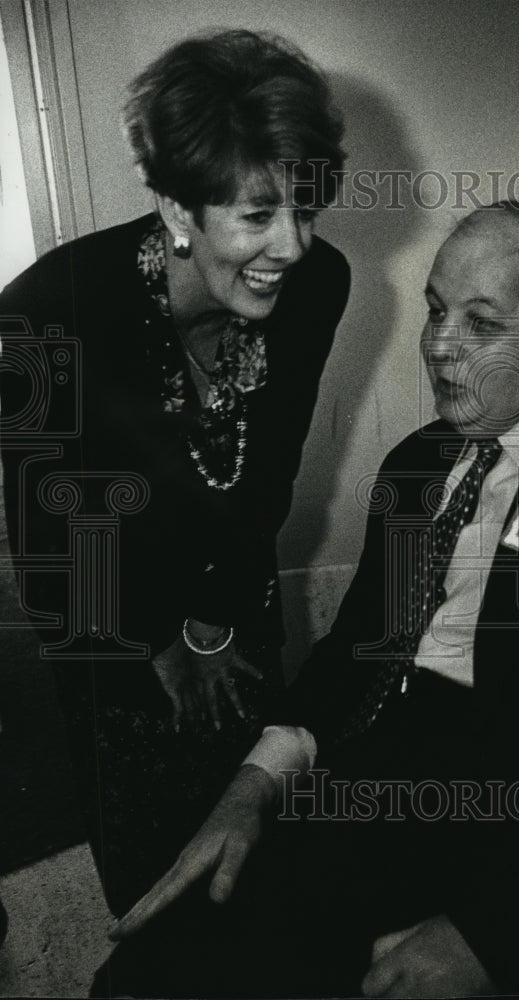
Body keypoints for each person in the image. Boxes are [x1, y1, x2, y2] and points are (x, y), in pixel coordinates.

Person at [102, 202, 519, 997]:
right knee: (147, 973)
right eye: (438, 311)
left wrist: (493, 936)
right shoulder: (415, 466)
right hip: (371, 783)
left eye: (482, 323)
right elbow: (353, 656)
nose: (439, 345)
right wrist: (255, 784)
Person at [0, 29, 350, 916]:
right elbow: (47, 545)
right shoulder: (43, 316)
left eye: (306, 209)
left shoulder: (318, 286)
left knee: (259, 854)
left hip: (233, 609)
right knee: (157, 882)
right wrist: (155, 641)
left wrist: (212, 623)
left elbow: (265, 478)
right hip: (111, 636)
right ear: (174, 207)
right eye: (258, 215)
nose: (296, 246)